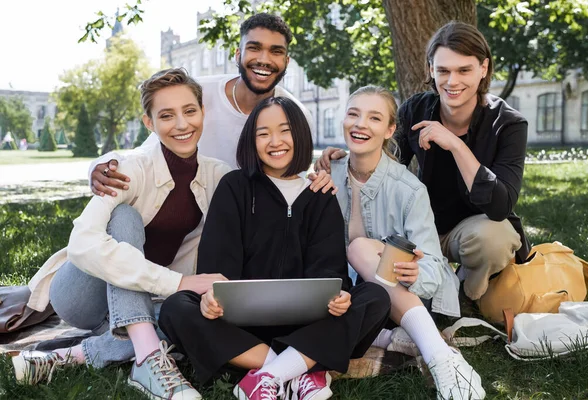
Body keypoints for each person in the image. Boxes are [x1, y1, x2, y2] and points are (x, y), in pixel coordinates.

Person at [12, 68, 232, 400]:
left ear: (203, 112)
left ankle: (71, 355)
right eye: (167, 115)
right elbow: (83, 243)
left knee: (190, 326)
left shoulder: (219, 176)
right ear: (149, 123)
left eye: (190, 111)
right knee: (125, 216)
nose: (183, 124)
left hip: (148, 302)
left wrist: (322, 173)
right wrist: (181, 284)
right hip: (83, 295)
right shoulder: (129, 170)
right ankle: (146, 357)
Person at [158, 97, 391, 400]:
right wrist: (211, 298)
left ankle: (268, 376)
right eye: (263, 133)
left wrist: (340, 298)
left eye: (284, 131)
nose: (275, 142)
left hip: (309, 326)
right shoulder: (234, 187)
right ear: (251, 141)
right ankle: (300, 370)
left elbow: (330, 273)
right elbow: (216, 268)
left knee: (374, 297)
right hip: (240, 329)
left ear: (299, 135)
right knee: (176, 309)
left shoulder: (319, 195)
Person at [316, 21, 529, 302]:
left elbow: (500, 205)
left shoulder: (509, 124)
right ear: (431, 69)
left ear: (483, 68)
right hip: (420, 229)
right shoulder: (415, 110)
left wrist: (455, 145)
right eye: (443, 70)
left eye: (464, 70)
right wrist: (348, 158)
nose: (452, 82)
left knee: (494, 237)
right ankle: (432, 286)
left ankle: (470, 295)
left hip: (473, 230)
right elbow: (389, 168)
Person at [328, 85, 485, 399]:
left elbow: (430, 265)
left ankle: (439, 356)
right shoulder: (326, 176)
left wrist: (415, 274)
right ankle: (393, 339)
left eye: (374, 118)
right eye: (353, 114)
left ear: (389, 130)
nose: (360, 125)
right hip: (355, 298)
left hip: (406, 294)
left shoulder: (409, 189)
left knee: (359, 247)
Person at [89, 12, 331, 198]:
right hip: (180, 219)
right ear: (238, 55)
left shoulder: (297, 114)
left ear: (286, 61)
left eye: (275, 51)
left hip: (247, 232)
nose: (264, 60)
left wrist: (333, 167)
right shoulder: (197, 95)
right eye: (254, 48)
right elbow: (148, 152)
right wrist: (101, 167)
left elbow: (292, 185)